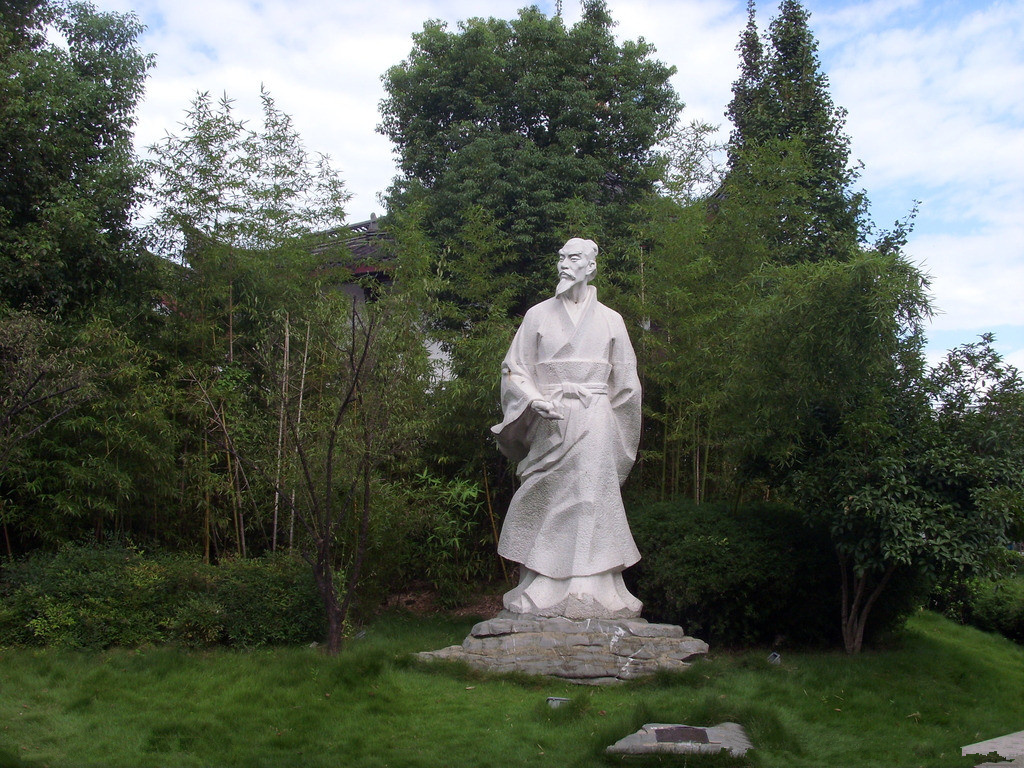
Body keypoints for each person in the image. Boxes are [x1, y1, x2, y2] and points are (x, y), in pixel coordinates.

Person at [491, 238, 643, 619]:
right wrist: (532, 399)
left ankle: (593, 587)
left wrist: (618, 438)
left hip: (595, 419)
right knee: (545, 497)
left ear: (591, 267)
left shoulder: (611, 320)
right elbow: (514, 370)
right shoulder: (537, 316)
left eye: (573, 258)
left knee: (590, 499)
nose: (563, 264)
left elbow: (627, 387)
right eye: (560, 257)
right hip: (550, 419)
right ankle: (541, 581)